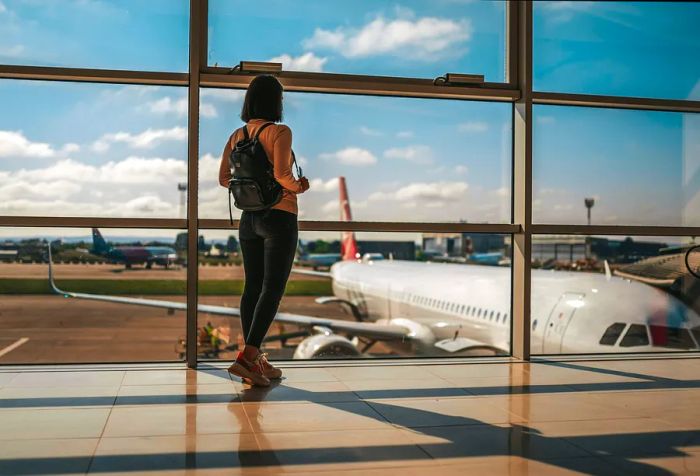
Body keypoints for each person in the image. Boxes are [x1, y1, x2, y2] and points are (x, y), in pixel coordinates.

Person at [218, 75, 310, 386]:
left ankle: (253, 360)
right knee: (273, 289)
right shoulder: (279, 131)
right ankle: (247, 358)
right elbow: (284, 176)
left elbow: (223, 179)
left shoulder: (236, 135)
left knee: (252, 288)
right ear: (276, 102)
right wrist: (300, 186)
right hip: (279, 217)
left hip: (248, 220)